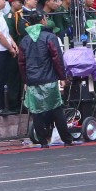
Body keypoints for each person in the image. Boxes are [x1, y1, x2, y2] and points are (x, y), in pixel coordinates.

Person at [16, 9, 77, 147]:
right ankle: (67, 139)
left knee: (37, 112)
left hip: (32, 81)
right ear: (43, 20)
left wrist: (25, 80)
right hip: (49, 79)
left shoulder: (25, 40)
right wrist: (62, 76)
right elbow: (57, 58)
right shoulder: (50, 37)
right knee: (56, 109)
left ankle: (43, 142)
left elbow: (21, 63)